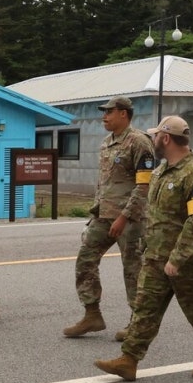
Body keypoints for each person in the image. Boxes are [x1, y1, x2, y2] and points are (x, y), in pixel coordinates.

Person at [94, 115, 193, 381]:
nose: (153, 139)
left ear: (166, 138)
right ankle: (129, 359)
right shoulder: (160, 172)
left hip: (186, 261)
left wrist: (178, 259)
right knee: (145, 309)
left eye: (156, 135)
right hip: (155, 256)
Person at [63, 96, 155, 341]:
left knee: (133, 270)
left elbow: (144, 185)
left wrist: (124, 217)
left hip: (131, 219)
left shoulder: (139, 142)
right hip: (104, 216)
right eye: (103, 112)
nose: (104, 116)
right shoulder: (107, 143)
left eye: (109, 112)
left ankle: (138, 324)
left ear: (124, 113)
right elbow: (104, 183)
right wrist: (96, 213)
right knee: (85, 259)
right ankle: (92, 314)